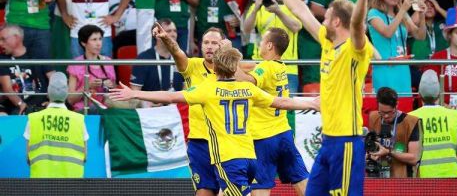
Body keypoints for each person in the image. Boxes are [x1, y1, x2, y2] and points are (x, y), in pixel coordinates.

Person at [109, 46, 318, 196]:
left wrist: (135, 94)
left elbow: (170, 96)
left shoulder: (208, 90)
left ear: (215, 69)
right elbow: (281, 102)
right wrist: (312, 103)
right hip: (250, 155)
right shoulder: (249, 89)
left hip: (228, 158)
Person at [265, 0, 373, 195]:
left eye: (326, 18)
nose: (322, 21)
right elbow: (302, 11)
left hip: (347, 142)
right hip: (327, 141)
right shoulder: (327, 42)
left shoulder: (355, 49)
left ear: (336, 22)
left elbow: (356, 25)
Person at [144, 24, 225, 195]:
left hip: (226, 141)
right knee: (203, 191)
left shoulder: (233, 71)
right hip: (199, 141)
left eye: (214, 43)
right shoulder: (192, 66)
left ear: (223, 45)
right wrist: (166, 38)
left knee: (228, 192)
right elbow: (177, 52)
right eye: (206, 42)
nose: (209, 47)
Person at [235, 27, 309, 195]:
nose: (259, 44)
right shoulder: (280, 66)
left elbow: (248, 80)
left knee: (260, 187)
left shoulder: (266, 67)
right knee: (301, 180)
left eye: (261, 41)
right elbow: (252, 67)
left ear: (269, 46)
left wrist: (226, 61)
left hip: (263, 138)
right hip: (283, 134)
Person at [302, 0, 365, 90]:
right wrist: (343, 17)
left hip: (339, 40)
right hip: (315, 40)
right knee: (316, 81)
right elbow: (315, 9)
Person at [243, 0, 302, 94]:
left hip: (287, 67)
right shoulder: (259, 6)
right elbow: (246, 29)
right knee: (259, 107)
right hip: (261, 66)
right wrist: (255, 10)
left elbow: (296, 27)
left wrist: (278, 11)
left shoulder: (293, 5)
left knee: (287, 109)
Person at [367, 0, 426, 98]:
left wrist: (422, 16)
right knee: (386, 108)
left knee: (404, 108)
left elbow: (420, 36)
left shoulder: (402, 14)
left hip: (403, 69)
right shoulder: (373, 13)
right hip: (384, 68)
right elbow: (387, 33)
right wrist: (403, 9)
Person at [24, 72, 89, 178]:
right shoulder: (79, 120)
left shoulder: (33, 119)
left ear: (48, 94)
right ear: (66, 93)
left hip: (41, 183)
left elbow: (28, 157)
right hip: (72, 184)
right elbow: (85, 156)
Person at [410, 69, 457, 178]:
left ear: (419, 94)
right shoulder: (455, 116)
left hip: (424, 179)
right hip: (452, 179)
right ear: (439, 94)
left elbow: (412, 158)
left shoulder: (410, 118)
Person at [0, 25, 54, 115]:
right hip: (16, 106)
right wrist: (21, 104)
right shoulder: (3, 59)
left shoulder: (37, 54)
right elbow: (8, 89)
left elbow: (53, 78)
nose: (0, 43)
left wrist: (52, 101)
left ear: (16, 38)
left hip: (41, 105)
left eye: (3, 39)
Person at [367, 87, 420, 178]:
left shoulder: (410, 122)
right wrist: (371, 154)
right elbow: (371, 146)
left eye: (390, 112)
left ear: (397, 105)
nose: (386, 116)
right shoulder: (374, 117)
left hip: (402, 179)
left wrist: (388, 152)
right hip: (378, 177)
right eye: (382, 113)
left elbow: (414, 158)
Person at [67, 24, 116, 114]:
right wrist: (87, 86)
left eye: (100, 39)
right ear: (83, 43)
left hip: (105, 107)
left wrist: (108, 86)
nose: (98, 44)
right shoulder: (75, 64)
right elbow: (70, 100)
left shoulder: (108, 62)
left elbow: (114, 90)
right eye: (94, 40)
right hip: (83, 110)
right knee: (94, 108)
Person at [130, 19, 183, 98]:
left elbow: (188, 88)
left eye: (174, 31)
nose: (173, 34)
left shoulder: (182, 57)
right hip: (150, 107)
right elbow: (134, 91)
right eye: (168, 31)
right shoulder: (143, 59)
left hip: (176, 106)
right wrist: (148, 102)